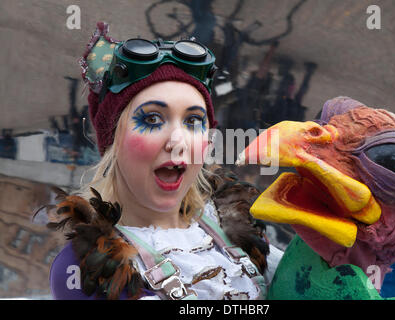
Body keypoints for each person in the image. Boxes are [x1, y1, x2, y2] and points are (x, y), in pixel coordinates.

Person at [47, 22, 283, 300]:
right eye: (152, 119)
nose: (178, 141)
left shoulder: (237, 223)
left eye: (193, 120)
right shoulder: (84, 268)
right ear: (114, 141)